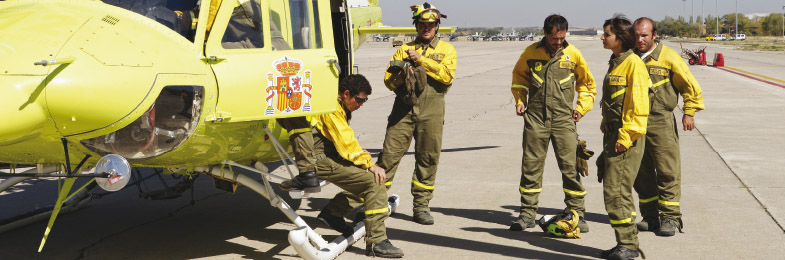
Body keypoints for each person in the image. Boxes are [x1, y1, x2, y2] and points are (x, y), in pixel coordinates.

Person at [509, 14, 596, 233]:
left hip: (563, 120)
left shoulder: (573, 54)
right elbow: (519, 78)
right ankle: (527, 214)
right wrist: (520, 100)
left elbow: (587, 85)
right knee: (531, 168)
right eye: (554, 38)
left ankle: (577, 214)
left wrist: (581, 108)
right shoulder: (531, 53)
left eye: (561, 38)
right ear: (545, 33)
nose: (558, 43)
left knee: (570, 168)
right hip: (535, 120)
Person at [377, 2, 457, 225]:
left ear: (437, 26)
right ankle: (375, 203)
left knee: (427, 158)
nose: (426, 28)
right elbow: (387, 80)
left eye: (430, 24)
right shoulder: (403, 49)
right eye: (422, 24)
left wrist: (422, 61)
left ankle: (421, 206)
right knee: (388, 157)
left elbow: (447, 76)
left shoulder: (446, 50)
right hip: (403, 108)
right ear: (417, 25)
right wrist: (399, 76)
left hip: (432, 110)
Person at [311, 74, 404, 258]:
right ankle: (377, 241)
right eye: (360, 100)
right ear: (346, 94)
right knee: (374, 182)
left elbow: (342, 140)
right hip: (320, 160)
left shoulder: (338, 104)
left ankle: (332, 213)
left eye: (365, 101)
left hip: (328, 155)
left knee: (367, 174)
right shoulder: (331, 108)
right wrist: (368, 164)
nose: (361, 104)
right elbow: (345, 141)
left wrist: (361, 158)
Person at [632, 17, 705, 237]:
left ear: (654, 35)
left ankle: (671, 218)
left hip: (660, 121)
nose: (639, 40)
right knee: (640, 172)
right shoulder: (629, 57)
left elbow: (690, 85)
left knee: (667, 171)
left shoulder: (669, 57)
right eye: (636, 35)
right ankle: (650, 217)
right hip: (634, 122)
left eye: (644, 35)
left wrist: (689, 112)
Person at [597, 15, 651, 260]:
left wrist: (626, 136)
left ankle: (628, 245)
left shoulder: (633, 64)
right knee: (614, 189)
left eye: (607, 34)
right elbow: (616, 99)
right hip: (613, 134)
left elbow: (638, 106)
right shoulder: (617, 61)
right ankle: (624, 242)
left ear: (619, 38)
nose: (603, 37)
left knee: (617, 191)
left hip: (624, 138)